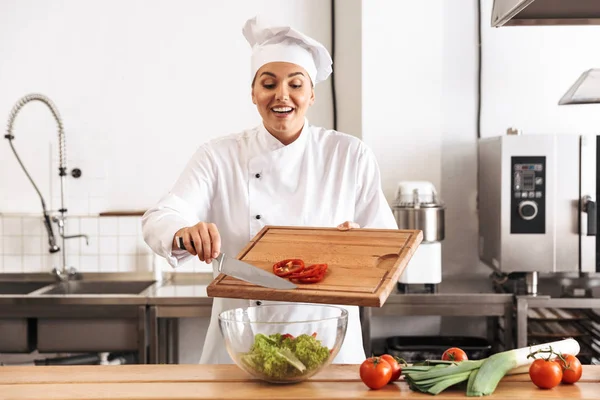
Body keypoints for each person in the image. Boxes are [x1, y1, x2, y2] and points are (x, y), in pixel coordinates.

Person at [142, 16, 398, 364]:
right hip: (240, 345)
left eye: (295, 84)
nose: (282, 95)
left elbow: (387, 249)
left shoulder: (349, 154)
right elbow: (161, 216)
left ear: (311, 94)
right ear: (253, 93)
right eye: (268, 83)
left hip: (329, 345)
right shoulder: (219, 155)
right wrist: (183, 232)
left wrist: (359, 246)